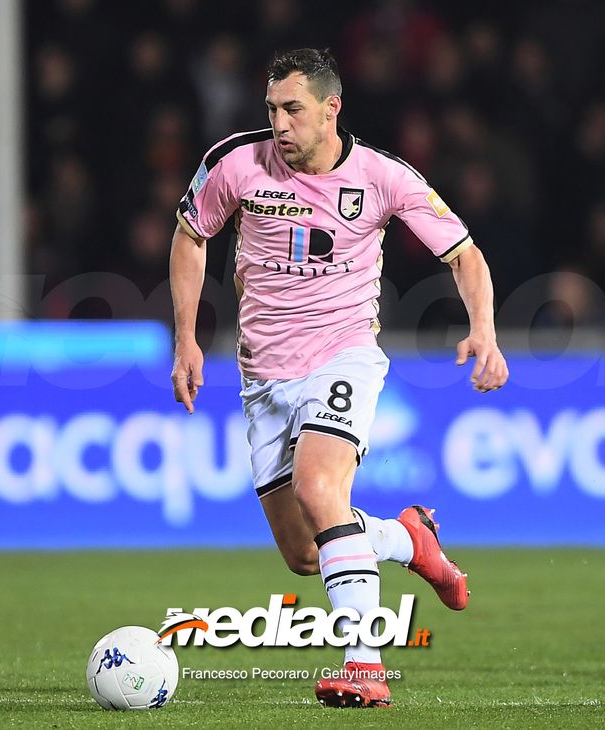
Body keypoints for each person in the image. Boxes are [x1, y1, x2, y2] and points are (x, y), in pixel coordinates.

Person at [169, 47, 508, 707]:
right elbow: (189, 235)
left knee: (319, 489)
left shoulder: (383, 177)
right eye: (271, 109)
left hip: (342, 356)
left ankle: (365, 667)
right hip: (262, 376)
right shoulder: (236, 161)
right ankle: (406, 537)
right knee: (303, 553)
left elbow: (465, 256)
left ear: (332, 110)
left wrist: (485, 331)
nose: (280, 124)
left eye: (293, 109)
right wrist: (185, 337)